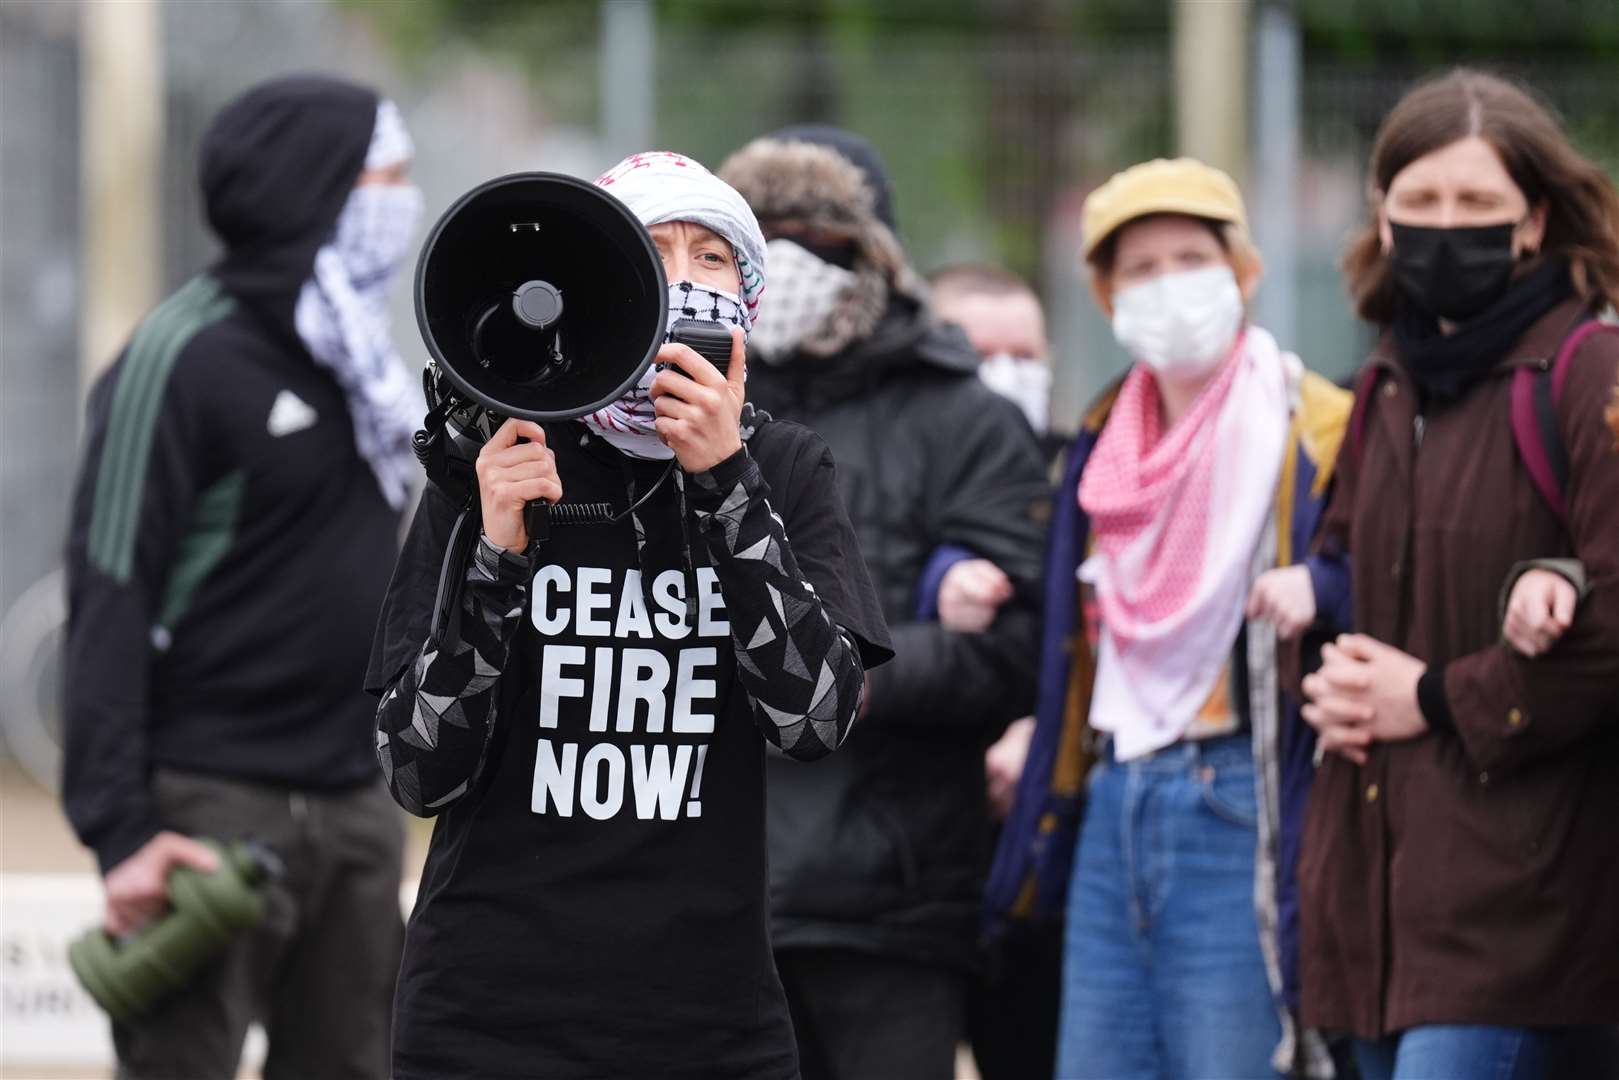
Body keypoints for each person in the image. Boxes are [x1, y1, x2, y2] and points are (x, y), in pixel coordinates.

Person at [367, 150, 892, 1080]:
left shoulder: (786, 465)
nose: (687, 280)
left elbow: (812, 720)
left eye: (713, 257)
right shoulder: (501, 450)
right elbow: (417, 770)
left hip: (706, 1028)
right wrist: (497, 555)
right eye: (652, 251)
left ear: (749, 290)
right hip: (484, 1024)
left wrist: (726, 483)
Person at [61, 75, 420, 1078]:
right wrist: (121, 829)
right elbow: (107, 591)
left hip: (356, 802)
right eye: (387, 174)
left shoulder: (365, 367)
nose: (406, 199)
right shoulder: (181, 355)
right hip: (206, 810)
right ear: (322, 191)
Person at [983, 157, 1358, 1080]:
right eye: (1139, 268)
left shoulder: (1319, 424)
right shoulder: (1100, 441)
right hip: (1114, 790)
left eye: (1190, 257)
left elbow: (1379, 578)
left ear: (1243, 273)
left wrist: (1325, 584)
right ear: (1106, 294)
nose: (1167, 286)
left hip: (1239, 794)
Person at [1298, 68, 1619, 1080]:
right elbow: (1344, 569)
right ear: (1381, 219)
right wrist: (1331, 678)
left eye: (1476, 204)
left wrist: (1430, 697)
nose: (1446, 227)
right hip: (1372, 916)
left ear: (1532, 221)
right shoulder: (1386, 379)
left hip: (1526, 913)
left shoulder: (1586, 367)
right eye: (1419, 202)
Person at [718, 128, 1048, 1080]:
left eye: (817, 241)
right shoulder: (675, 418)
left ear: (876, 257)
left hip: (892, 901)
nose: (788, 265)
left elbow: (1021, 650)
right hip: (715, 893)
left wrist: (844, 684)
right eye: (761, 239)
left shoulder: (963, 419)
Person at [925, 262, 1062, 1080]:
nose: (1006, 376)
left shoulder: (1084, 477)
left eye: (1024, 354)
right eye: (981, 354)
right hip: (915, 854)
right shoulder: (884, 473)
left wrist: (1034, 731)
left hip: (1039, 866)